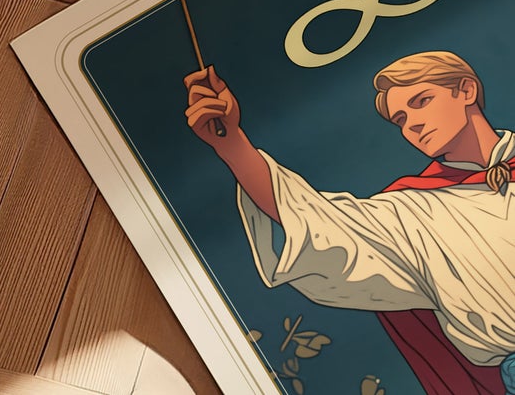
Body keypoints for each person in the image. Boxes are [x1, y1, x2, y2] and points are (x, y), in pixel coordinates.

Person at [185, 51, 515, 395]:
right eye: (400, 118)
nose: (412, 125)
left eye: (422, 101)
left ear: (466, 90)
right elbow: (320, 224)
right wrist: (233, 145)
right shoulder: (413, 209)